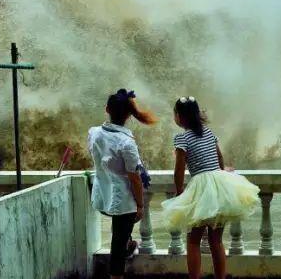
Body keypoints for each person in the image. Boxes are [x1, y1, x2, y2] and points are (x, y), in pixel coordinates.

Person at [161, 96, 260, 279]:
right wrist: (223, 171)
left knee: (193, 241)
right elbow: (219, 157)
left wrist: (180, 193)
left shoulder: (181, 138)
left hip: (201, 187)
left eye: (175, 113)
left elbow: (179, 170)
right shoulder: (208, 132)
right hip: (219, 185)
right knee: (216, 241)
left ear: (180, 117)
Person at [88, 89, 157, 279]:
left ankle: (128, 244)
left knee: (120, 235)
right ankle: (117, 272)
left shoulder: (94, 133)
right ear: (128, 115)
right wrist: (141, 204)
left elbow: (98, 157)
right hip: (123, 200)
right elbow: (134, 177)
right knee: (117, 244)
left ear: (107, 109)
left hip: (103, 193)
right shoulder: (126, 143)